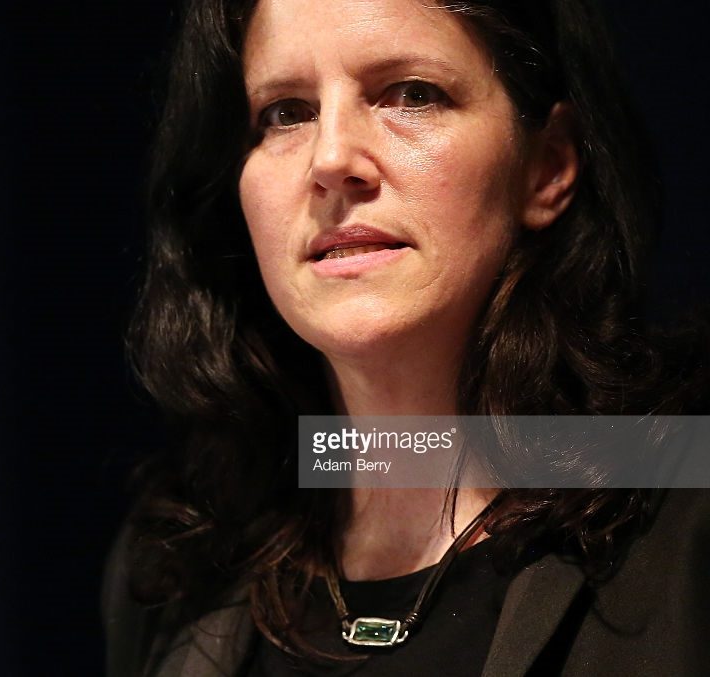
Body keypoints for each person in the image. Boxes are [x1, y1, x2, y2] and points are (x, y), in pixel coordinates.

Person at [104, 0, 710, 675]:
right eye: (286, 111)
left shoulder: (685, 511)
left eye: (412, 94)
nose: (331, 159)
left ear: (546, 166)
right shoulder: (179, 560)